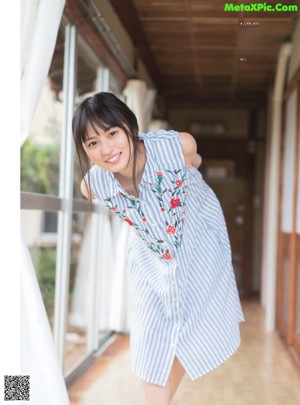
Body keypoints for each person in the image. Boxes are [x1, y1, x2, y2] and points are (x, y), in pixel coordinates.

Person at [72, 92, 244, 405]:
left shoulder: (174, 146)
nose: (107, 149)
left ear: (129, 127)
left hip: (196, 243)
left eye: (112, 134)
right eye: (92, 143)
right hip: (150, 258)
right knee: (152, 337)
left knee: (194, 323)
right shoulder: (94, 185)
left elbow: (193, 158)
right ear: (84, 149)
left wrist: (190, 172)